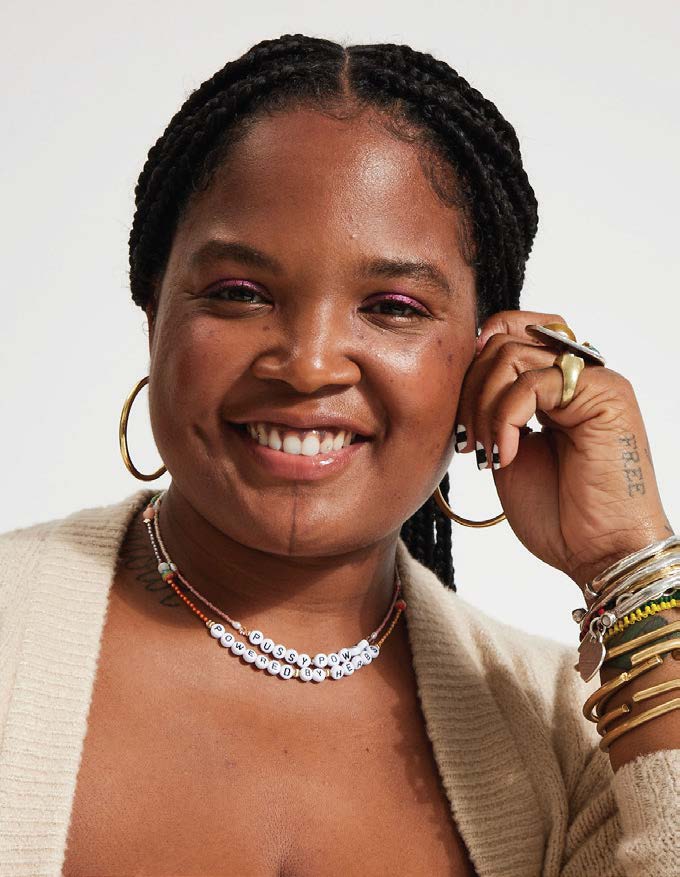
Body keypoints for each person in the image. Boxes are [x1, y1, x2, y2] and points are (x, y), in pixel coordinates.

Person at [0, 33, 678, 877]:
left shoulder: (572, 742)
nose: (311, 362)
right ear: (154, 314)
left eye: (392, 305)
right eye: (240, 293)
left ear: (488, 353)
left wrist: (632, 565)